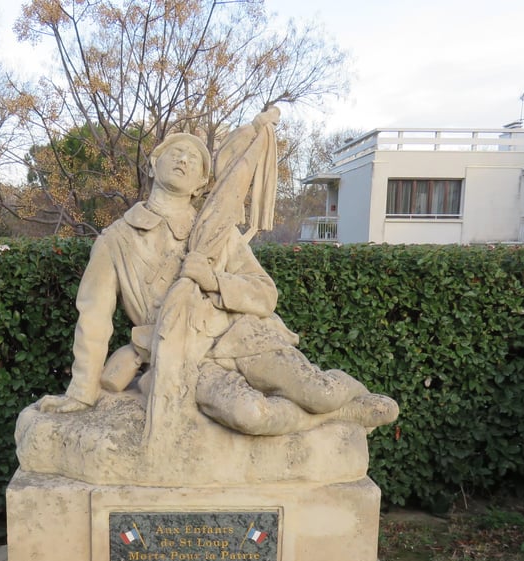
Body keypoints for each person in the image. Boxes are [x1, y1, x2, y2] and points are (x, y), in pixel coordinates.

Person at [37, 128, 368, 436]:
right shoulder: (116, 241)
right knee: (252, 414)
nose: (183, 159)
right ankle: (337, 418)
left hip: (245, 339)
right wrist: (82, 391)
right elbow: (94, 319)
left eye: (193, 159)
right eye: (176, 152)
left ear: (200, 185)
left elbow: (266, 295)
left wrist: (213, 280)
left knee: (321, 393)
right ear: (153, 164)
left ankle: (354, 400)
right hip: (184, 358)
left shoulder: (218, 234)